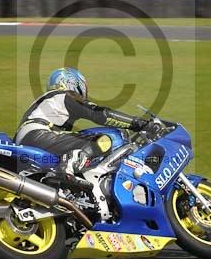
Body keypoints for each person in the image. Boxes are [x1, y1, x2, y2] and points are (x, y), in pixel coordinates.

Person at [14, 67, 149, 178]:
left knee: (78, 138)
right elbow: (99, 114)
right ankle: (68, 166)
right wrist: (138, 123)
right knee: (103, 140)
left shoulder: (50, 101)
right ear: (74, 83)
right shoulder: (65, 95)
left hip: (27, 139)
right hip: (40, 134)